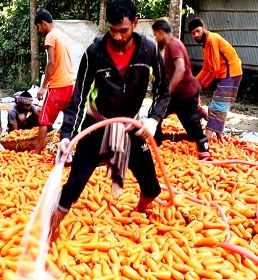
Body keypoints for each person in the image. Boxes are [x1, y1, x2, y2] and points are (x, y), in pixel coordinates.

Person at [48, 0, 171, 242]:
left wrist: (154, 119)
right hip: (96, 126)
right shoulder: (94, 53)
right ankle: (49, 233)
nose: (116, 36)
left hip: (131, 127)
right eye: (112, 30)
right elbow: (78, 98)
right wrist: (66, 137)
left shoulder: (148, 50)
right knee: (73, 186)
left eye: (123, 30)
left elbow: (164, 89)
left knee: (152, 187)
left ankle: (137, 215)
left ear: (135, 24)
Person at [151, 19, 211, 160]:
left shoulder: (174, 45)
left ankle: (205, 155)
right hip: (176, 95)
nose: (155, 38)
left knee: (193, 128)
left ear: (161, 32)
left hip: (186, 95)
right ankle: (155, 146)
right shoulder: (169, 46)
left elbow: (180, 68)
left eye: (155, 35)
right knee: (155, 114)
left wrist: (168, 90)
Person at [188, 18, 242, 143]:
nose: (196, 35)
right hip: (228, 73)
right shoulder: (206, 44)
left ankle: (205, 140)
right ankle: (220, 139)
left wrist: (201, 86)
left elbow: (213, 68)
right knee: (219, 105)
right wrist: (194, 83)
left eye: (198, 31)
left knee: (217, 105)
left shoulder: (211, 39)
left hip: (230, 73)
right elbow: (206, 68)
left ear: (204, 27)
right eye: (193, 33)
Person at [33, 9, 74, 154]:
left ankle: (37, 151)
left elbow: (51, 62)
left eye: (38, 26)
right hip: (70, 83)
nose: (39, 30)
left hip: (58, 85)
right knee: (70, 117)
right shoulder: (61, 35)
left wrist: (43, 87)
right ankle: (65, 147)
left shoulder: (50, 36)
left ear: (43, 23)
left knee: (44, 118)